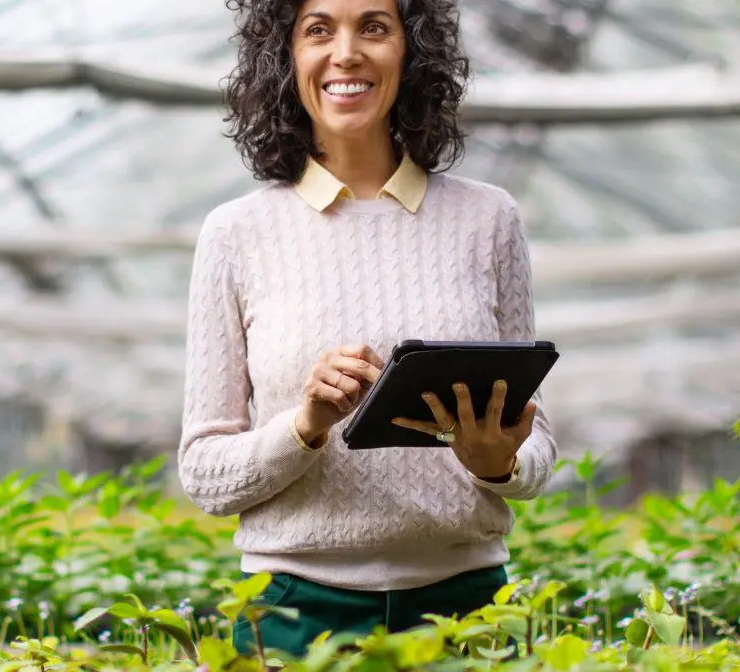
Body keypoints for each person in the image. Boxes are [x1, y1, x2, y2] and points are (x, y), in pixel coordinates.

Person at [176, 0, 558, 659]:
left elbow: (538, 446)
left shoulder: (489, 220)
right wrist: (305, 424)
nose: (346, 52)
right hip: (293, 615)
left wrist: (496, 463)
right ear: (285, 57)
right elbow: (204, 473)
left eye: (374, 27)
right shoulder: (236, 235)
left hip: (467, 613)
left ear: (411, 53)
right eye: (318, 30)